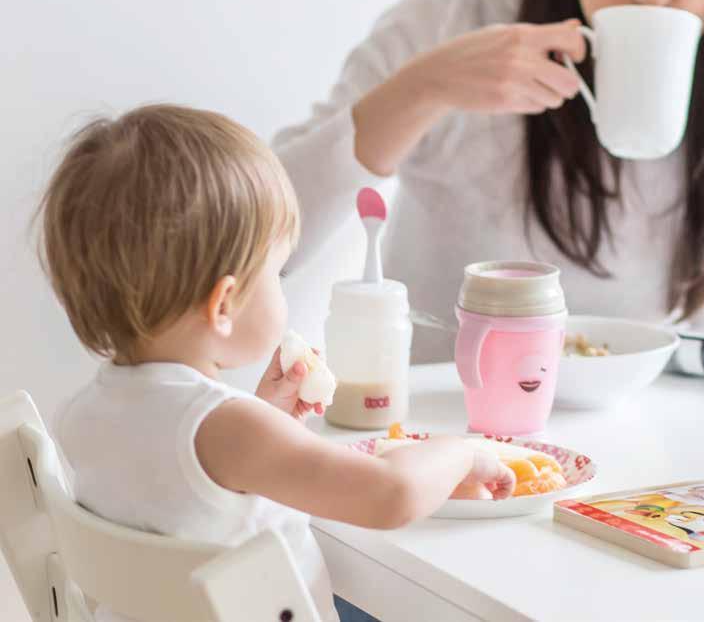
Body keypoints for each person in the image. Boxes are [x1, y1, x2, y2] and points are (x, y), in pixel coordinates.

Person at [37, 104, 515, 622]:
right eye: (277, 272)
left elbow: (183, 490)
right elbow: (390, 495)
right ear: (223, 305)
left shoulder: (85, 412)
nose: (282, 285)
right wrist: (461, 452)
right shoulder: (230, 431)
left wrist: (267, 415)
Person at [273, 0, 704, 364]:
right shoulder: (453, 17)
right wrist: (421, 90)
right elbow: (261, 244)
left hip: (637, 432)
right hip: (437, 429)